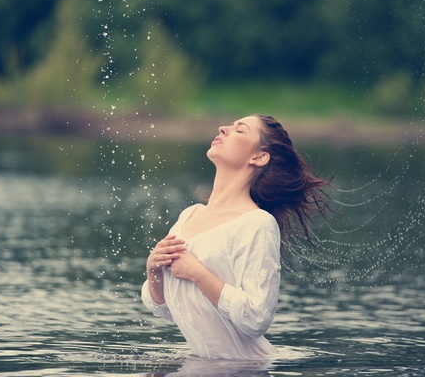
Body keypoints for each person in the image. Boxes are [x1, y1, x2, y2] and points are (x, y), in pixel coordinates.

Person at [141, 114, 330, 359]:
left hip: (248, 368)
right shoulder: (189, 216)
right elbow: (165, 309)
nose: (223, 128)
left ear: (258, 157)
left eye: (239, 130)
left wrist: (197, 273)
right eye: (229, 126)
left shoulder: (257, 224)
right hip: (202, 367)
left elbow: (257, 318)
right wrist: (153, 270)